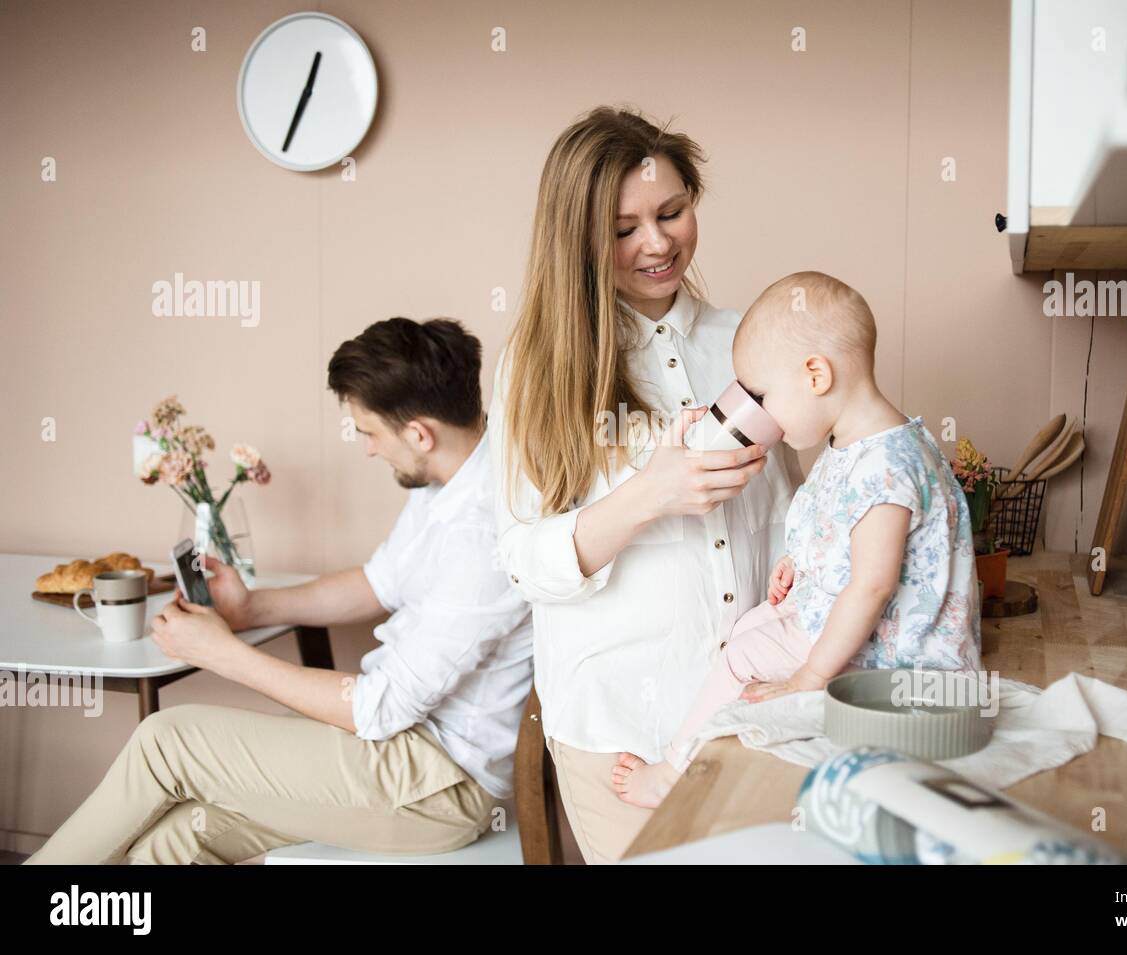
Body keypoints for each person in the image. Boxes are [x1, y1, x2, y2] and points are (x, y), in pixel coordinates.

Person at [27, 317, 532, 864]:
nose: (366, 449)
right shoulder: (445, 482)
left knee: (165, 740)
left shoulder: (483, 534)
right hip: (396, 753)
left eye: (368, 432)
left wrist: (223, 654)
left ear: (418, 434)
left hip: (435, 784)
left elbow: (379, 708)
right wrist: (250, 608)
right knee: (175, 839)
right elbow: (377, 583)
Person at [488, 106, 802, 863]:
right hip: (619, 730)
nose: (658, 243)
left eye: (672, 212)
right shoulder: (537, 370)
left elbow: (795, 515)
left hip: (755, 716)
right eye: (624, 228)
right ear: (578, 239)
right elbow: (524, 561)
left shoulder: (747, 341)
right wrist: (650, 494)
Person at [612, 272, 983, 807]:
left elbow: (874, 585)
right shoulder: (858, 443)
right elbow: (843, 535)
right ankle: (738, 735)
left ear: (815, 375)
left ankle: (675, 772)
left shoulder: (886, 466)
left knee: (742, 653)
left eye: (762, 395)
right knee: (753, 624)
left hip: (905, 656)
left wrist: (809, 676)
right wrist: (799, 561)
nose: (760, 414)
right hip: (874, 630)